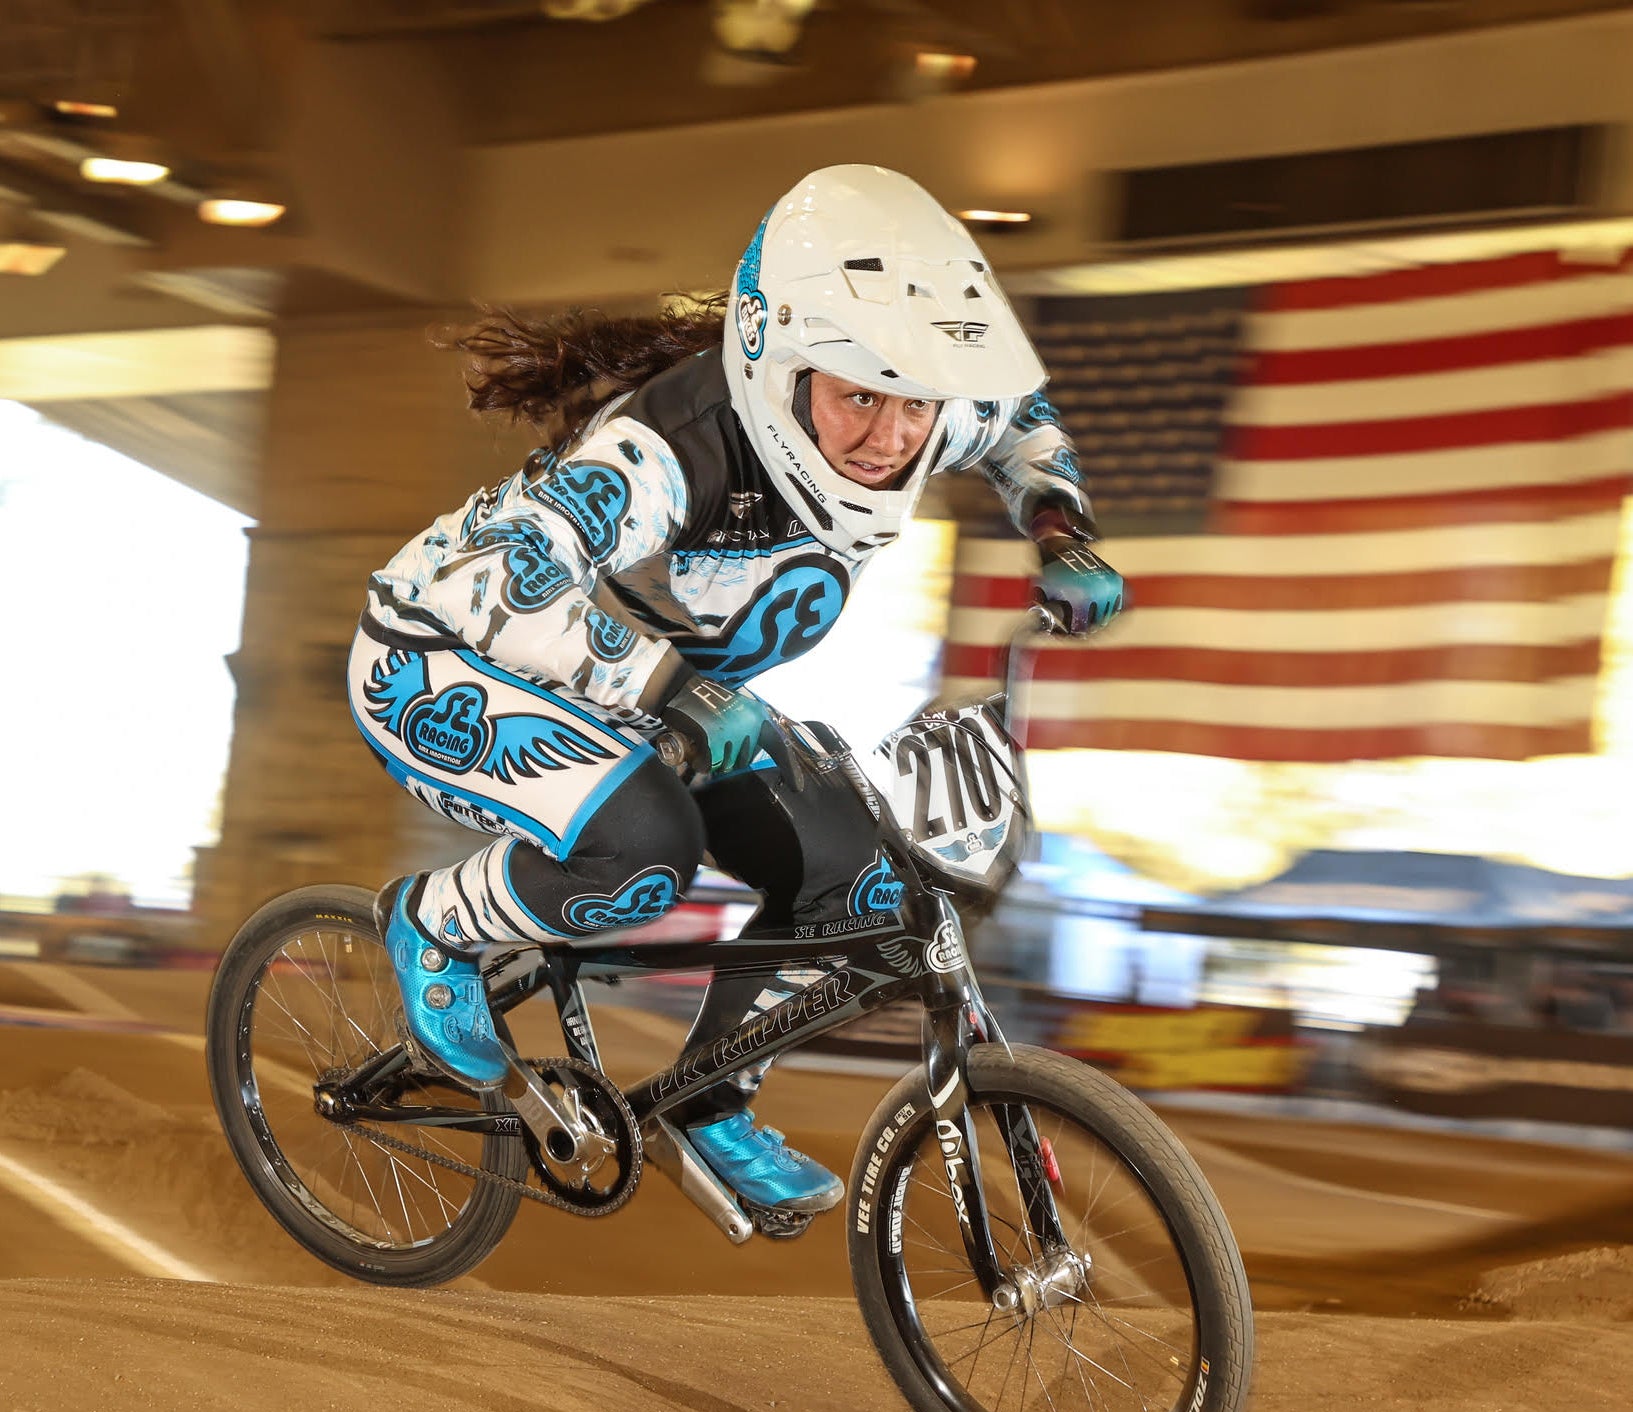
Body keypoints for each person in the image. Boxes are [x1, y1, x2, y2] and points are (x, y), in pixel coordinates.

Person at [347, 164, 1124, 1216]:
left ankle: (707, 1103)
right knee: (642, 854)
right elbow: (491, 585)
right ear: (776, 362)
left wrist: (1057, 526)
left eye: (916, 403)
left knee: (858, 878)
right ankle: (435, 922)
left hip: (653, 698)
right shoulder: (666, 451)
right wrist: (668, 684)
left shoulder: (922, 412)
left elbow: (1016, 413)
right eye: (860, 398)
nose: (893, 438)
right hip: (443, 659)